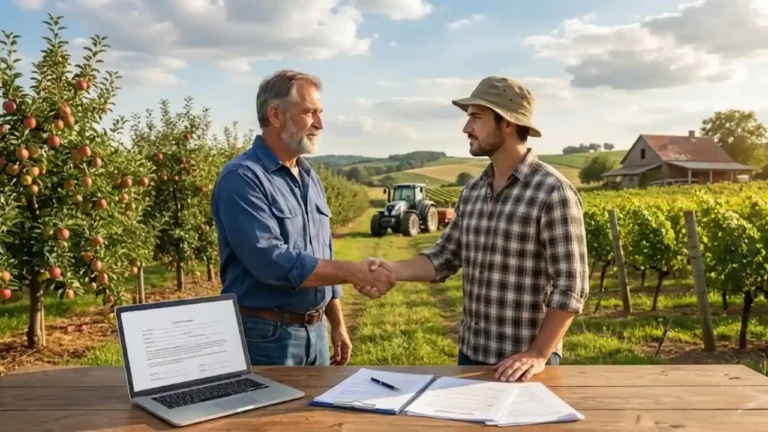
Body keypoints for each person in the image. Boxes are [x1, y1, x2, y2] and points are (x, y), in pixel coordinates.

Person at [357, 76, 589, 382]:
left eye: (476, 118)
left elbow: (571, 285)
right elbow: (444, 257)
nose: (466, 128)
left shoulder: (552, 192)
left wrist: (538, 353)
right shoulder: (473, 191)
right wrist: (391, 269)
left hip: (523, 361)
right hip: (470, 353)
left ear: (506, 123)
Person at [211, 69, 395, 367]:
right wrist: (352, 271)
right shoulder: (242, 178)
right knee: (272, 415)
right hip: (265, 336)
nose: (320, 124)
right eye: (309, 112)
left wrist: (336, 322)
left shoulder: (309, 178)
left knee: (317, 413)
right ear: (275, 114)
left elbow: (322, 252)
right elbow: (269, 260)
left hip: (315, 333)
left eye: (320, 113)